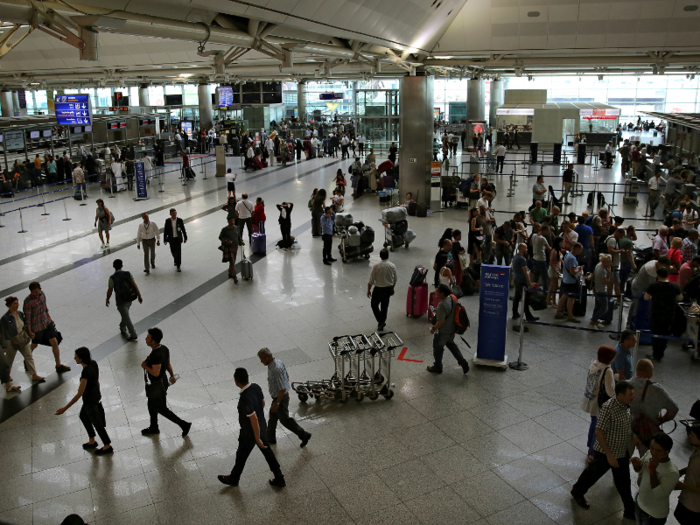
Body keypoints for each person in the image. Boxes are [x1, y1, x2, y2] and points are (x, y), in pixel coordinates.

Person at [571, 381, 636, 520]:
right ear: (620, 395)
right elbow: (599, 432)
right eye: (630, 394)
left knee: (623, 481)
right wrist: (609, 455)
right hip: (607, 452)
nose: (633, 396)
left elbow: (626, 423)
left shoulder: (626, 406)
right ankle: (577, 491)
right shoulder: (609, 408)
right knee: (592, 474)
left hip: (621, 450)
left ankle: (630, 509)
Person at [218, 367, 286, 488]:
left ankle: (234, 479)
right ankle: (279, 476)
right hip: (262, 426)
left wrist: (257, 438)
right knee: (268, 453)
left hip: (249, 433)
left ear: (236, 381)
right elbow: (263, 403)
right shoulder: (256, 387)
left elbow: (253, 418)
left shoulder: (244, 398)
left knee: (241, 455)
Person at [55, 347, 113, 455]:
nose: (74, 358)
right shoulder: (94, 363)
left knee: (97, 423)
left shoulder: (85, 372)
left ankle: (107, 445)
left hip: (89, 401)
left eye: (76, 357)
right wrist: (98, 392)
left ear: (81, 359)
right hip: (95, 396)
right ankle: (92, 440)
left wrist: (65, 408)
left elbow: (79, 394)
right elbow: (97, 381)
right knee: (83, 416)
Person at [140, 328, 191, 437]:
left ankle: (184, 424)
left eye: (148, 337)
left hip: (157, 386)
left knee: (162, 408)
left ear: (153, 341)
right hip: (162, 382)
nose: (146, 338)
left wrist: (145, 366)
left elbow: (155, 372)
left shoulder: (156, 355)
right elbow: (168, 364)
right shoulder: (164, 348)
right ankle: (153, 426)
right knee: (151, 404)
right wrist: (172, 375)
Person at [258, 348, 312, 447]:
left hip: (279, 398)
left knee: (285, 420)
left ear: (268, 358)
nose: (261, 361)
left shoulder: (275, 369)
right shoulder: (277, 362)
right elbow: (286, 378)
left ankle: (304, 435)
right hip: (281, 396)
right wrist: (286, 392)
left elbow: (282, 388)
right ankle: (270, 437)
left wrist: (278, 403)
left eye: (262, 359)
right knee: (273, 417)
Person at [629, 359, 678, 453]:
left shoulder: (625, 385)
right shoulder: (657, 389)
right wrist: (661, 419)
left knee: (623, 460)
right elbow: (673, 409)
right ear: (648, 372)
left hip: (628, 429)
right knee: (647, 460)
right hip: (648, 432)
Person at [631, 432, 680, 524]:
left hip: (655, 513)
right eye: (652, 448)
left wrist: (652, 470)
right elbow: (640, 470)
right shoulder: (649, 453)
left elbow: (659, 494)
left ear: (667, 451)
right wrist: (636, 465)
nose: (653, 452)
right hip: (640, 503)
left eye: (658, 451)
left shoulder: (671, 472)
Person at [24, 282, 70, 372]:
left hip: (46, 322)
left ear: (40, 289)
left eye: (36, 291)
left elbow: (45, 308)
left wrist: (49, 318)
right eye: (33, 292)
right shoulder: (28, 301)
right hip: (36, 327)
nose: (35, 294)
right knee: (34, 344)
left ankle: (58, 365)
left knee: (54, 342)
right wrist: (29, 331)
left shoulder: (42, 294)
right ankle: (26, 360)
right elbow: (28, 318)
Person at [581, 345, 616, 462]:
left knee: (593, 423)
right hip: (599, 403)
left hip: (590, 399)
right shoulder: (608, 370)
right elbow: (610, 391)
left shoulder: (594, 365)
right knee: (599, 427)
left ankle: (589, 446)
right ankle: (592, 452)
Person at [1, 296, 45, 389]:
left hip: (22, 339)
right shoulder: (5, 318)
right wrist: (4, 345)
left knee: (28, 356)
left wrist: (29, 333)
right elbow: (2, 332)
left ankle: (34, 375)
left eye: (17, 303)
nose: (17, 305)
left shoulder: (20, 314)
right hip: (11, 341)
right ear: (9, 305)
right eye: (15, 303)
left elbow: (25, 325)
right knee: (9, 360)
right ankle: (7, 376)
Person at [426, 284, 469, 375]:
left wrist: (433, 328)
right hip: (452, 329)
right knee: (451, 344)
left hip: (443, 332)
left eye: (437, 292)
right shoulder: (451, 298)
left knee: (438, 348)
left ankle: (437, 366)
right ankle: (462, 362)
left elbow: (441, 322)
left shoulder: (442, 304)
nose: (436, 294)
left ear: (442, 293)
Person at [644, 267, 682, 362]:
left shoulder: (653, 285)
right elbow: (680, 298)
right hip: (669, 313)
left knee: (656, 334)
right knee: (665, 334)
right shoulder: (674, 286)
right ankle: (660, 353)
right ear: (667, 275)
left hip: (656, 313)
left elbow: (646, 298)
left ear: (658, 275)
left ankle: (655, 354)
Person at [106, 259, 142, 341]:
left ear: (113, 267)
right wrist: (139, 296)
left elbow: (110, 290)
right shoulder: (128, 274)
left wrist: (107, 299)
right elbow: (134, 285)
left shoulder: (112, 278)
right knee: (125, 315)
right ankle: (122, 326)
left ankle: (133, 334)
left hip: (120, 301)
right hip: (130, 299)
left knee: (126, 316)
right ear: (122, 266)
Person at [674, 425, 700, 525]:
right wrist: (681, 472)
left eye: (692, 435)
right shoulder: (696, 449)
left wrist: (683, 486)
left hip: (694, 504)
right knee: (679, 515)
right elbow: (692, 467)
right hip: (686, 497)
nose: (689, 436)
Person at [367, 248, 398, 331]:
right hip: (388, 289)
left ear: (380, 256)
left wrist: (368, 290)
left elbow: (371, 280)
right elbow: (395, 279)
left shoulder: (376, 266)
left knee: (374, 305)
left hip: (378, 289)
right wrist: (392, 288)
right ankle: (382, 321)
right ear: (388, 256)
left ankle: (381, 321)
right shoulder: (392, 266)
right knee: (384, 306)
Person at [511, 243, 539, 331]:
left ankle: (515, 313)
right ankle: (528, 316)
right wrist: (529, 282)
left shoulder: (515, 257)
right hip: (521, 281)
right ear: (521, 248)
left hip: (516, 279)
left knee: (517, 297)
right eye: (525, 248)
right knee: (525, 298)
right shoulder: (522, 259)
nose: (527, 249)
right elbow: (525, 272)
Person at [555, 242, 584, 323]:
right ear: (577, 249)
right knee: (571, 299)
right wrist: (579, 269)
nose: (581, 251)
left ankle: (558, 312)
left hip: (566, 280)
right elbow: (572, 272)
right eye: (580, 249)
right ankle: (570, 315)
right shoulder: (572, 258)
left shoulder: (568, 255)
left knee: (564, 296)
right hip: (571, 282)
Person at [590, 254, 613, 329]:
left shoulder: (598, 265)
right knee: (604, 308)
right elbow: (605, 282)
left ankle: (595, 321)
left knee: (597, 306)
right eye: (609, 261)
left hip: (596, 289)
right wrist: (609, 274)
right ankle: (592, 321)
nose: (611, 263)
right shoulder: (603, 270)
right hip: (601, 291)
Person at [219, 217, 244, 282]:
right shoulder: (225, 229)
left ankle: (230, 272)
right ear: (228, 221)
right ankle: (234, 276)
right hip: (229, 248)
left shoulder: (236, 228)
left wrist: (241, 241)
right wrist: (226, 241)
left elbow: (238, 236)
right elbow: (220, 237)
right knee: (232, 262)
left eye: (233, 221)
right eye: (231, 221)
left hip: (235, 247)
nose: (232, 222)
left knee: (233, 261)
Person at [163, 208, 187, 272]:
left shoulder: (179, 220)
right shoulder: (168, 221)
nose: (174, 214)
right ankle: (175, 259)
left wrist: (185, 237)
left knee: (178, 252)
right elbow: (166, 230)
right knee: (173, 251)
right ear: (170, 214)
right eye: (173, 213)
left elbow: (183, 229)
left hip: (178, 239)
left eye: (175, 213)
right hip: (171, 239)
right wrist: (165, 239)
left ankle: (178, 266)